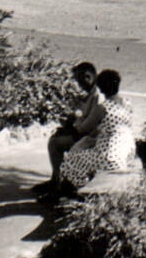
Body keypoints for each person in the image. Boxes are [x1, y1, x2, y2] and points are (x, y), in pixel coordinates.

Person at [55, 69, 137, 198]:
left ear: (101, 88)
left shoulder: (103, 108)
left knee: (72, 159)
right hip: (126, 151)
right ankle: (76, 189)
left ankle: (66, 193)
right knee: (85, 155)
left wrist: (74, 120)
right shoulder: (127, 103)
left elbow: (83, 129)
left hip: (108, 156)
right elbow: (112, 125)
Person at [41, 63, 103, 199]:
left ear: (88, 77)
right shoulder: (92, 93)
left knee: (55, 144)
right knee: (56, 138)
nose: (79, 84)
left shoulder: (97, 95)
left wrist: (71, 130)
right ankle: (56, 179)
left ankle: (59, 184)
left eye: (79, 80)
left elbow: (89, 125)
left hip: (91, 137)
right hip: (85, 133)